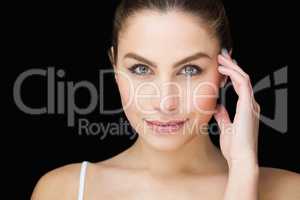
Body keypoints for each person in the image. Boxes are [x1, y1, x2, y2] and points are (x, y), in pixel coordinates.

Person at [31, 0, 300, 199]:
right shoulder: (62, 190)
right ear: (114, 66)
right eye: (141, 69)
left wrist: (243, 171)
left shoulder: (290, 192)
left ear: (225, 71)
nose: (165, 102)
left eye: (189, 70)